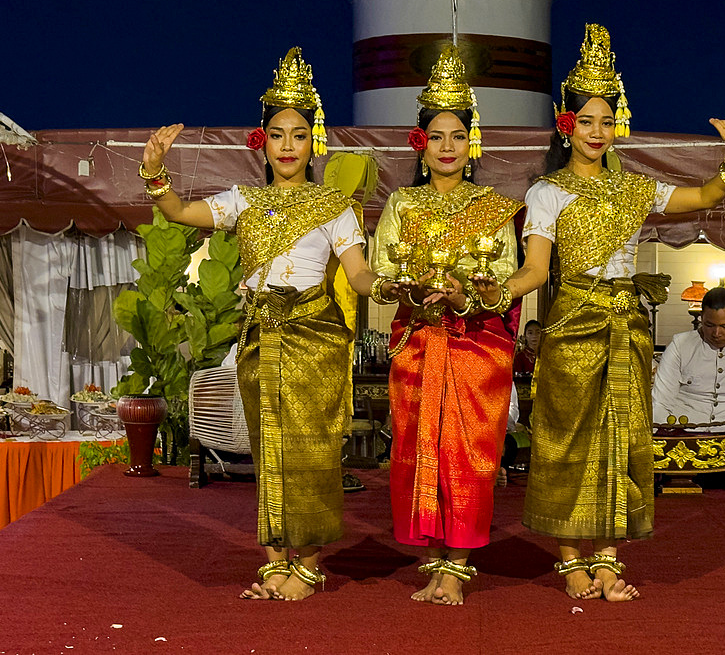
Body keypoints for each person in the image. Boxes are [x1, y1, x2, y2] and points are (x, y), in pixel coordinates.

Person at [484, 24, 725, 601]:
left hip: (624, 326)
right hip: (570, 326)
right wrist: (493, 293)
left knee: (619, 438)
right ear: (566, 124)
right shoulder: (546, 192)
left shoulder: (634, 190)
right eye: (586, 121)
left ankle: (607, 556)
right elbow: (535, 272)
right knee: (564, 441)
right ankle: (567, 555)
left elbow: (703, 197)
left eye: (607, 121)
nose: (598, 132)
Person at [138, 47, 384, 601]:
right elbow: (179, 212)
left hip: (317, 339)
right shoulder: (243, 202)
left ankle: (311, 565)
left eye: (299, 134)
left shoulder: (335, 207)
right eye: (278, 134)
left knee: (313, 449)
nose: (289, 146)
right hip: (261, 340)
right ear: (263, 141)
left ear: (311, 142)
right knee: (266, 447)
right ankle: (275, 562)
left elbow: (360, 273)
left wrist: (388, 285)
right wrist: (155, 171)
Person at [370, 45, 522, 606]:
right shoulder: (401, 205)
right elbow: (381, 270)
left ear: (472, 142)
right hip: (417, 343)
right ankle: (432, 557)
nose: (448, 147)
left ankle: (458, 564)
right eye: (437, 136)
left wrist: (466, 294)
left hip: (475, 346)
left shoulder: (493, 207)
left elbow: (504, 276)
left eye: (458, 136)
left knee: (467, 454)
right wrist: (403, 289)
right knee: (415, 450)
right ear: (420, 142)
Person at [652, 287, 725, 432]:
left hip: (721, 441)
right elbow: (660, 403)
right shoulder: (680, 345)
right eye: (709, 325)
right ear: (701, 317)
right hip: (679, 437)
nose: (716, 333)